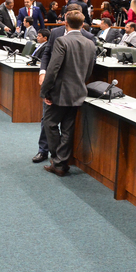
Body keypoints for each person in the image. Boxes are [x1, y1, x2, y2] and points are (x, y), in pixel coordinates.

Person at [40, 11, 95, 176]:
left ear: (65, 23)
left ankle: (57, 160)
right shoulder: (90, 43)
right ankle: (61, 164)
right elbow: (89, 70)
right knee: (67, 129)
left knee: (49, 124)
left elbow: (53, 69)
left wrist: (45, 91)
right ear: (82, 25)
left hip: (60, 92)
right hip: (78, 91)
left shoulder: (62, 41)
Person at [30, 28, 51, 163]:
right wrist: (42, 72)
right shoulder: (57, 34)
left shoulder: (87, 38)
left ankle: (62, 156)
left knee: (68, 125)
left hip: (73, 88)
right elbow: (46, 57)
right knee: (46, 120)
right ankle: (43, 151)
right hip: (52, 84)